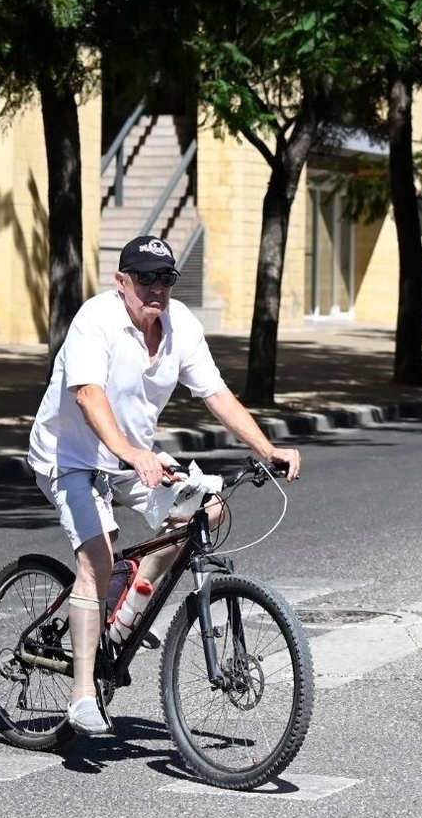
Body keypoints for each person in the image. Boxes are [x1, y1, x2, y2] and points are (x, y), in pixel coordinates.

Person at [27, 234, 303, 736]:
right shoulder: (97, 319)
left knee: (208, 510)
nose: (157, 288)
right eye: (146, 278)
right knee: (98, 555)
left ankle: (131, 611)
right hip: (70, 456)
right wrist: (132, 453)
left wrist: (268, 448)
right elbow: (88, 395)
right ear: (122, 282)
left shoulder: (181, 327)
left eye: (166, 278)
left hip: (134, 459)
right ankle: (83, 693)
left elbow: (214, 393)